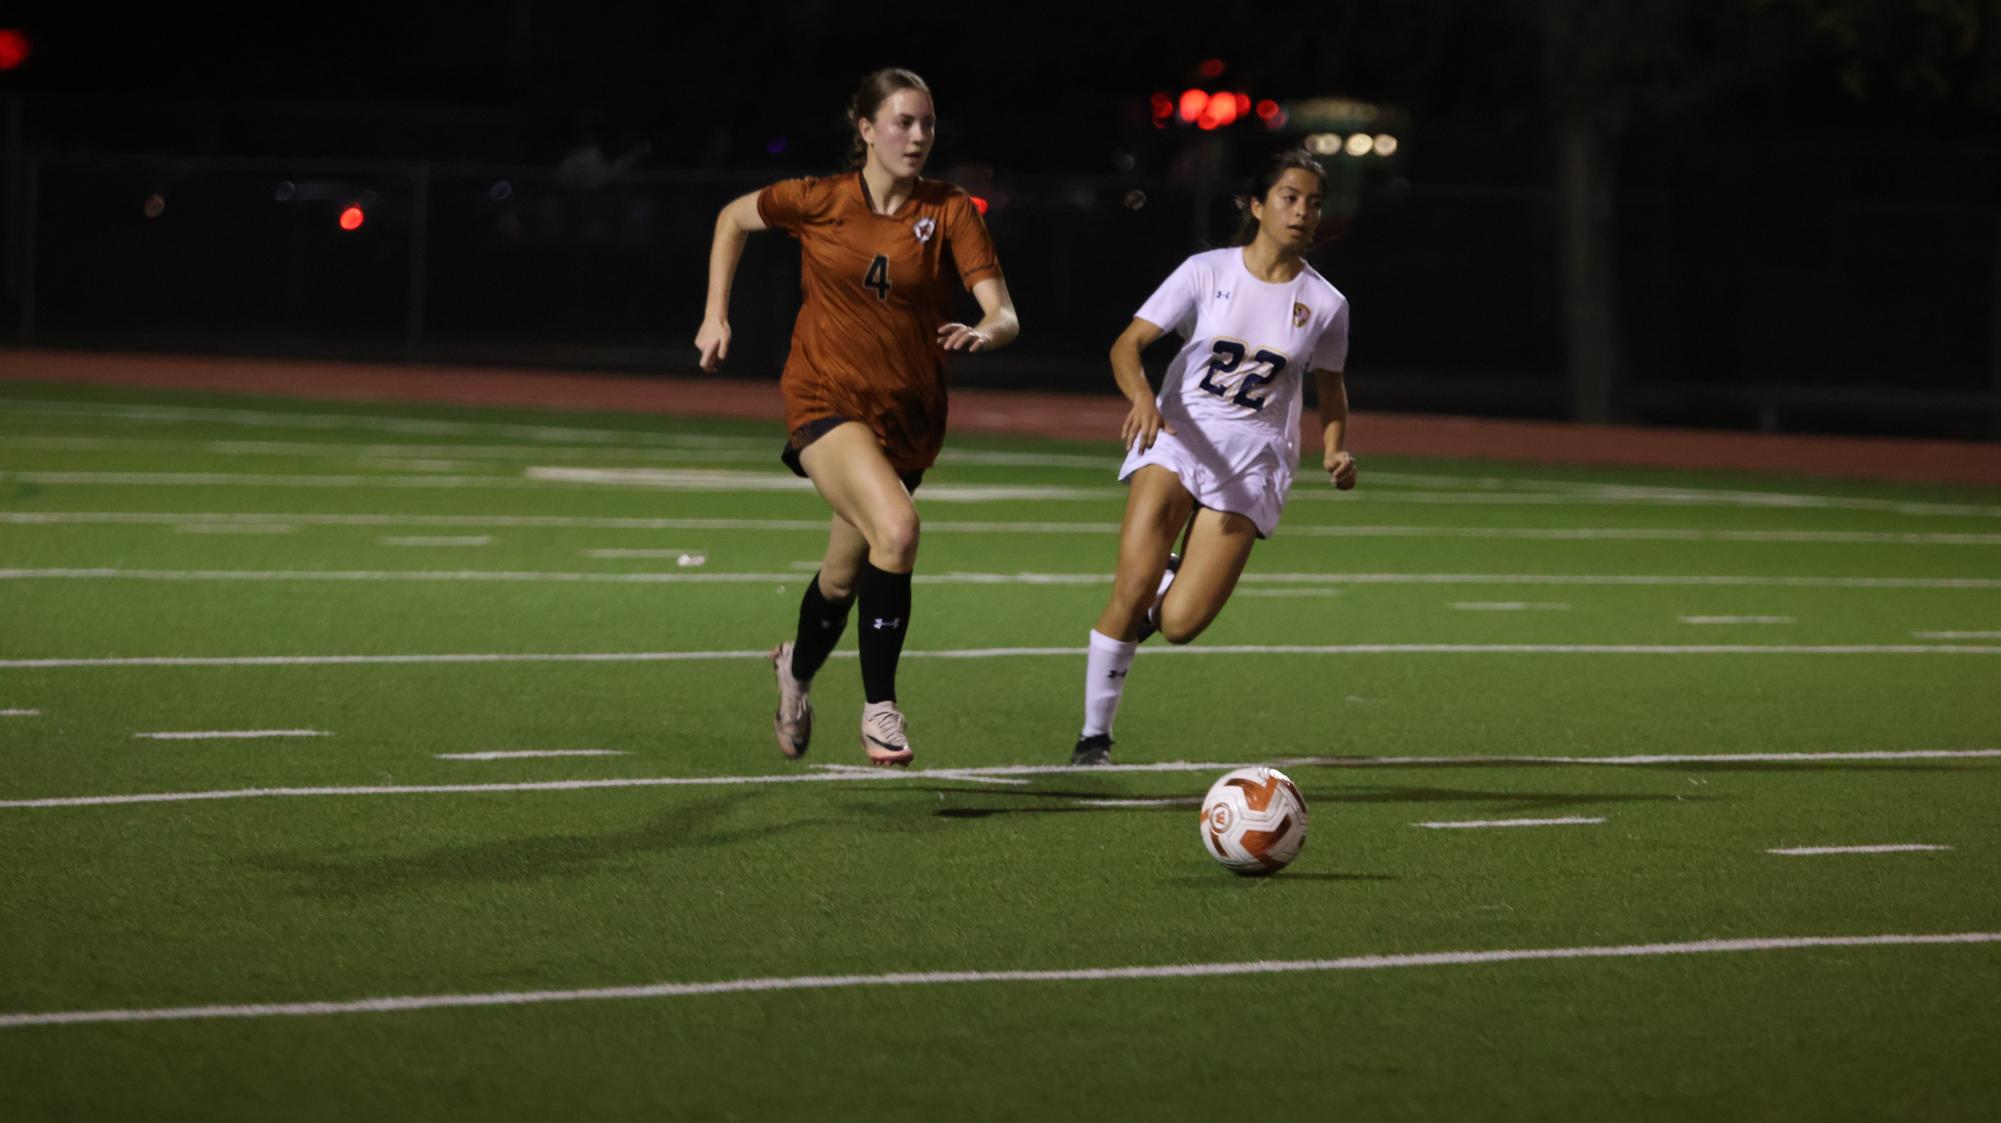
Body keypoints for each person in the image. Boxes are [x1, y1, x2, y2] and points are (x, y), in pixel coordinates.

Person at [695, 68, 1019, 767]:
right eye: (902, 121)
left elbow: (1004, 313)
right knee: (898, 529)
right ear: (866, 129)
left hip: (906, 418)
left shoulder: (951, 210)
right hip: (824, 399)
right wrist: (715, 313)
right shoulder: (820, 199)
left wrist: (985, 330)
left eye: (927, 123)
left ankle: (795, 671)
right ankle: (880, 710)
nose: (918, 135)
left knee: (845, 576)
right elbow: (731, 218)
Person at [1070, 149, 1355, 766]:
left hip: (1255, 463)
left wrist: (1335, 448)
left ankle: (1171, 576)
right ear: (1256, 205)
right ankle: (1095, 738)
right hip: (1177, 436)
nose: (1302, 211)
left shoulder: (1326, 304)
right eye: (1289, 197)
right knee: (1130, 587)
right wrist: (1144, 398)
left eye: (1313, 202)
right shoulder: (1206, 271)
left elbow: (1330, 386)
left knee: (1178, 623)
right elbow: (1127, 344)